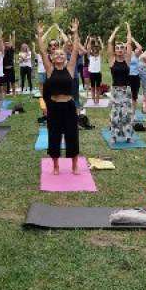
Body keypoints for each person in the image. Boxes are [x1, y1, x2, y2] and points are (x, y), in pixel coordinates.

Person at [37, 19, 82, 174]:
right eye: (56, 54)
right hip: (54, 107)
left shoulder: (70, 68)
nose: (59, 55)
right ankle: (56, 166)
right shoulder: (49, 69)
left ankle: (74, 165)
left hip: (69, 106)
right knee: (54, 135)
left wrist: (76, 33)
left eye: (62, 54)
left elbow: (75, 50)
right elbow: (42, 51)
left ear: (65, 57)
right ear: (53, 57)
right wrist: (40, 35)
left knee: (72, 135)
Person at [105, 24, 135, 144]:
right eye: (117, 48)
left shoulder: (127, 60)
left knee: (127, 114)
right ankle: (114, 136)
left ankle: (128, 136)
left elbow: (129, 43)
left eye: (121, 48)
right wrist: (115, 30)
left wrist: (128, 29)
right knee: (115, 114)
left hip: (126, 90)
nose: (119, 50)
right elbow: (109, 42)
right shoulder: (112, 60)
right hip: (115, 90)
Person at [86, 36, 103, 104]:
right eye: (94, 49)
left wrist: (100, 40)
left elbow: (102, 48)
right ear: (92, 50)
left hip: (98, 73)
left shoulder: (99, 56)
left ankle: (97, 100)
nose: (95, 50)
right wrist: (90, 40)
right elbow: (88, 48)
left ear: (98, 50)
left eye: (96, 49)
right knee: (92, 87)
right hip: (92, 73)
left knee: (98, 88)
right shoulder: (90, 56)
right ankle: (93, 100)